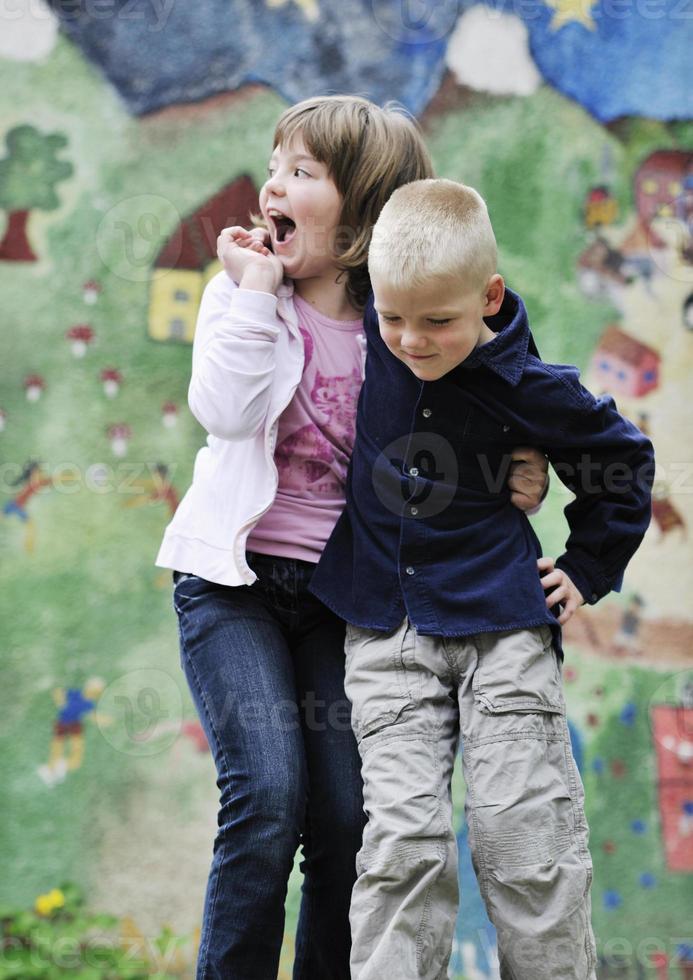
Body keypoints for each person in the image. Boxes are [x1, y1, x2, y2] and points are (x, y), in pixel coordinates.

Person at [155, 99, 550, 980]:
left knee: (348, 817)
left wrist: (527, 456)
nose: (272, 185)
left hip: (349, 600)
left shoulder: (401, 325)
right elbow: (224, 409)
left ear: (365, 205)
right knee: (266, 800)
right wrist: (258, 294)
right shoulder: (241, 292)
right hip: (233, 585)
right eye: (275, 165)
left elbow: (491, 385)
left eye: (301, 171)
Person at [309, 179, 655, 980]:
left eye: (438, 322)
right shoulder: (377, 328)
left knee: (524, 843)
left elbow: (620, 460)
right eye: (393, 319)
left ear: (489, 297)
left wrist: (584, 567)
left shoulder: (531, 387)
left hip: (503, 628)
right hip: (387, 635)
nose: (411, 341)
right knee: (401, 844)